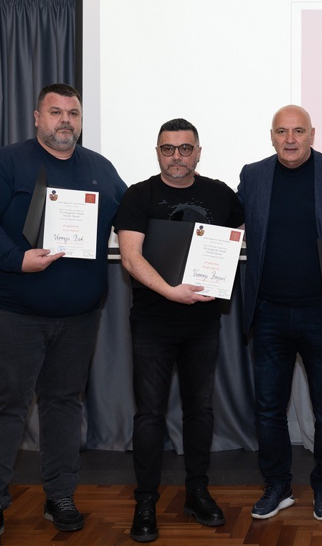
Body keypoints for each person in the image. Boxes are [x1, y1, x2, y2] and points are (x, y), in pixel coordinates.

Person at [0, 83, 126, 546]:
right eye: (56, 112)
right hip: (9, 312)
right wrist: (16, 258)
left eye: (73, 113)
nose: (65, 120)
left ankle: (60, 496)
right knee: (4, 408)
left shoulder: (100, 169)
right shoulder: (6, 162)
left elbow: (132, 219)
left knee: (64, 406)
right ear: (37, 117)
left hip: (79, 316)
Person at [115, 118, 245, 542]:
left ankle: (197, 492)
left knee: (200, 411)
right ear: (157, 152)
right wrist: (171, 291)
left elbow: (240, 232)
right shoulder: (139, 195)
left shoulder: (220, 194)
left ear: (198, 153)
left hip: (203, 323)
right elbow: (130, 257)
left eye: (185, 148)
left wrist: (221, 264)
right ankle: (146, 501)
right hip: (153, 322)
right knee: (149, 415)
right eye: (168, 148)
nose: (177, 157)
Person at [237, 105, 322, 522]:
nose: (290, 139)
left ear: (312, 134)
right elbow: (229, 228)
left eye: (298, 131)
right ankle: (278, 485)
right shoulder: (253, 175)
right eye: (282, 132)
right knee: (268, 409)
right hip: (268, 312)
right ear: (272, 136)